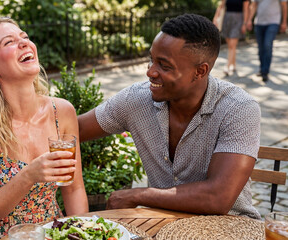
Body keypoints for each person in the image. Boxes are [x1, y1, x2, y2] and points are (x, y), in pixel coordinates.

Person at [78, 13, 261, 219]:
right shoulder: (136, 99)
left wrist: (139, 195)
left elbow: (218, 198)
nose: (151, 72)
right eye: (151, 60)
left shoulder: (238, 108)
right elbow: (75, 130)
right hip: (159, 225)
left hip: (230, 227)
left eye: (164, 66)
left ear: (200, 71)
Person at [0, 16, 88, 239]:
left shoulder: (62, 112)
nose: (24, 43)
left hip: (50, 234)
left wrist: (83, 233)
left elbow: (73, 189)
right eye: (9, 42)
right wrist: (28, 176)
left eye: (24, 37)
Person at [246, 0, 287, 82]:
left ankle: (265, 71)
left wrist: (284, 22)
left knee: (267, 45)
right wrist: (249, 20)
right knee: (261, 48)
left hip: (273, 22)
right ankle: (262, 69)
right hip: (259, 23)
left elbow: (284, 5)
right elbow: (254, 5)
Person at [213, 0, 250, 76]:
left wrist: (244, 23)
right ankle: (233, 64)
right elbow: (221, 6)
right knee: (231, 45)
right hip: (227, 20)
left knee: (232, 45)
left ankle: (227, 66)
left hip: (238, 20)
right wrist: (215, 18)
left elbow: (246, 9)